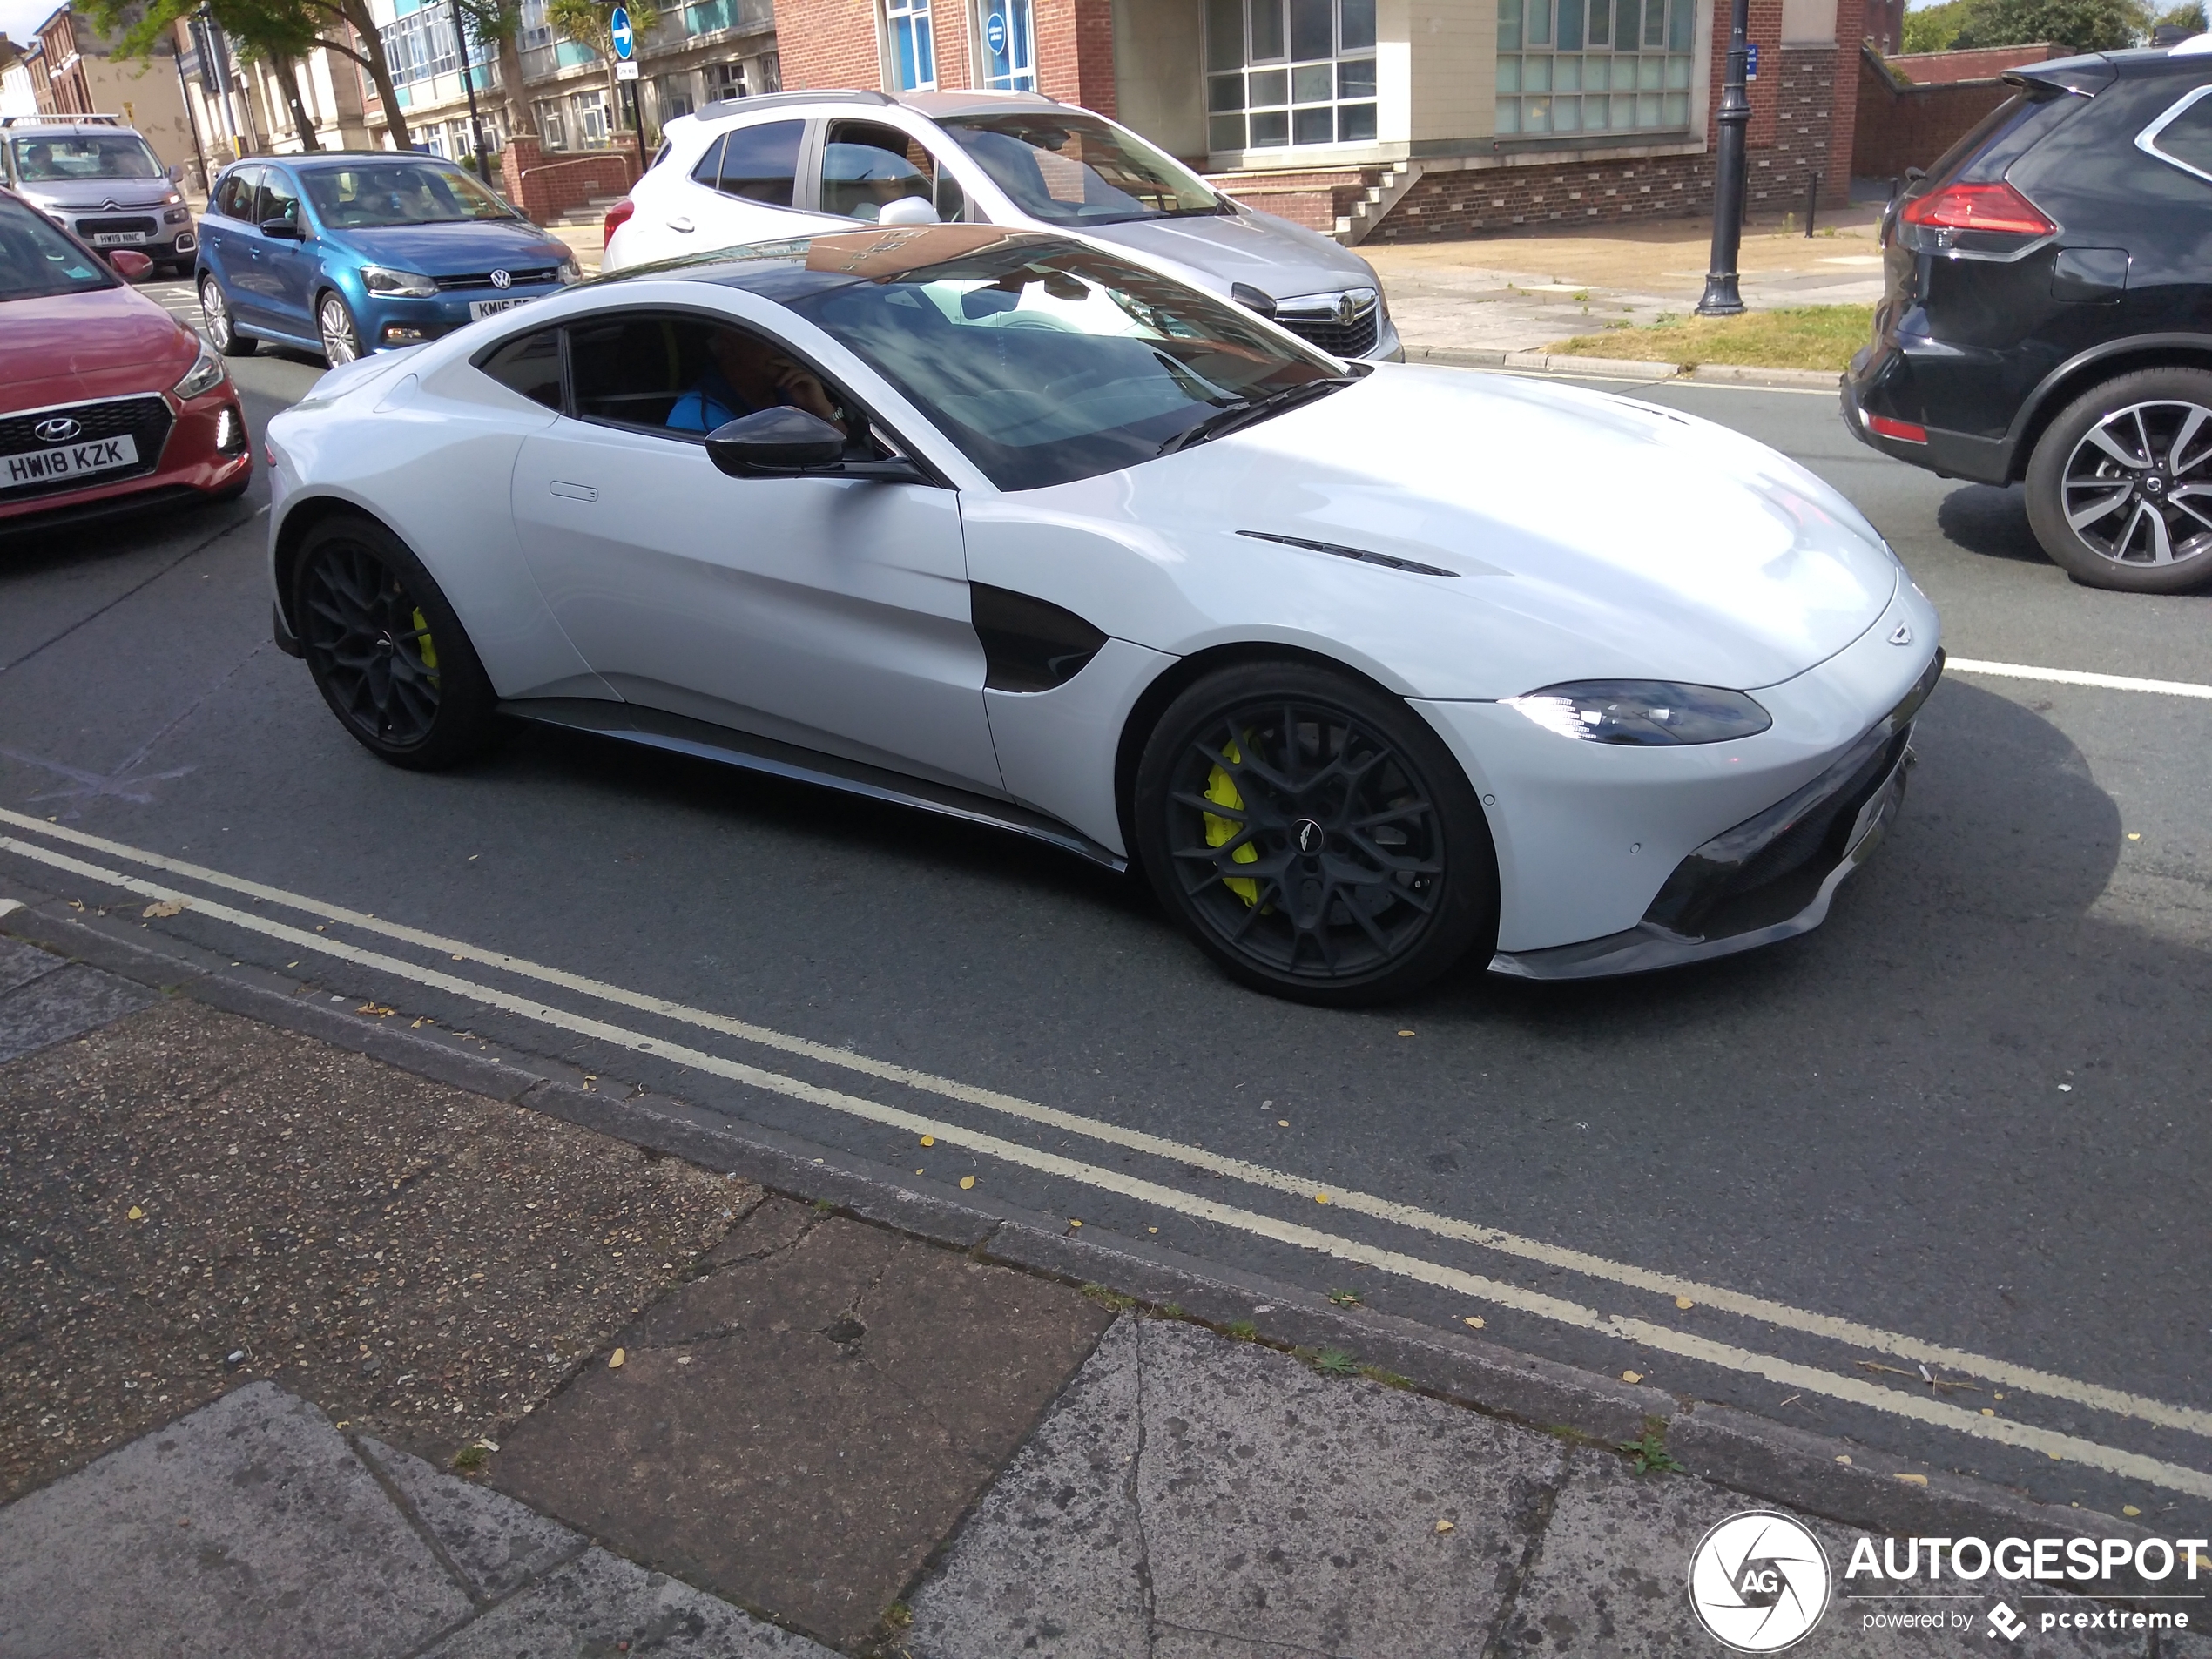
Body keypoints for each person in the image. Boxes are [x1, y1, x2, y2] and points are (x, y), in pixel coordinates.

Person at [666, 327, 846, 435]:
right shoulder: (698, 417)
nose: (785, 348)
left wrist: (821, 409)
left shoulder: (786, 387)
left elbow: (847, 450)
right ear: (728, 347)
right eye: (767, 339)